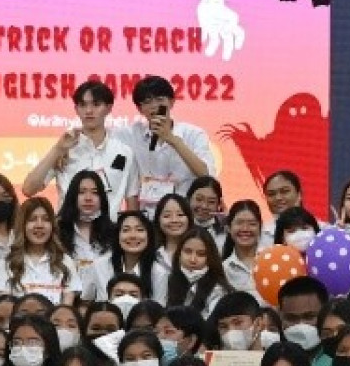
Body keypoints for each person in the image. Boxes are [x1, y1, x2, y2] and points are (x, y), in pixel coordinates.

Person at [24, 78, 138, 214]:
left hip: (108, 232)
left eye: (96, 104)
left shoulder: (124, 152)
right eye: (83, 105)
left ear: (108, 108)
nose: (89, 111)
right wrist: (57, 150)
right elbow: (28, 189)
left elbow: (131, 200)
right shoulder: (65, 148)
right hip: (67, 231)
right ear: (76, 109)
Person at [121, 74, 215, 212]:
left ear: (171, 102)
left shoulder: (193, 134)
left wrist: (172, 139)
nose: (154, 106)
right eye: (147, 102)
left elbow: (206, 175)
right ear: (140, 109)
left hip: (185, 215)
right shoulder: (132, 134)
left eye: (160, 99)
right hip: (148, 217)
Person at [0, 196, 80, 304]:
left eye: (45, 219)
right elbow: (4, 307)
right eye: (32, 219)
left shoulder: (65, 261)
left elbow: (66, 310)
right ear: (22, 225)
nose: (39, 225)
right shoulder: (8, 262)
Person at [57, 170, 117, 287]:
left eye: (95, 193)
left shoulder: (114, 232)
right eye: (82, 192)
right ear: (72, 197)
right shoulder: (58, 231)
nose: (88, 198)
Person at [221, 200, 265, 300]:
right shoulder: (223, 269)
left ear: (260, 226)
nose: (245, 229)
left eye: (252, 224)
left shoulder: (271, 260)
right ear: (228, 227)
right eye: (239, 223)